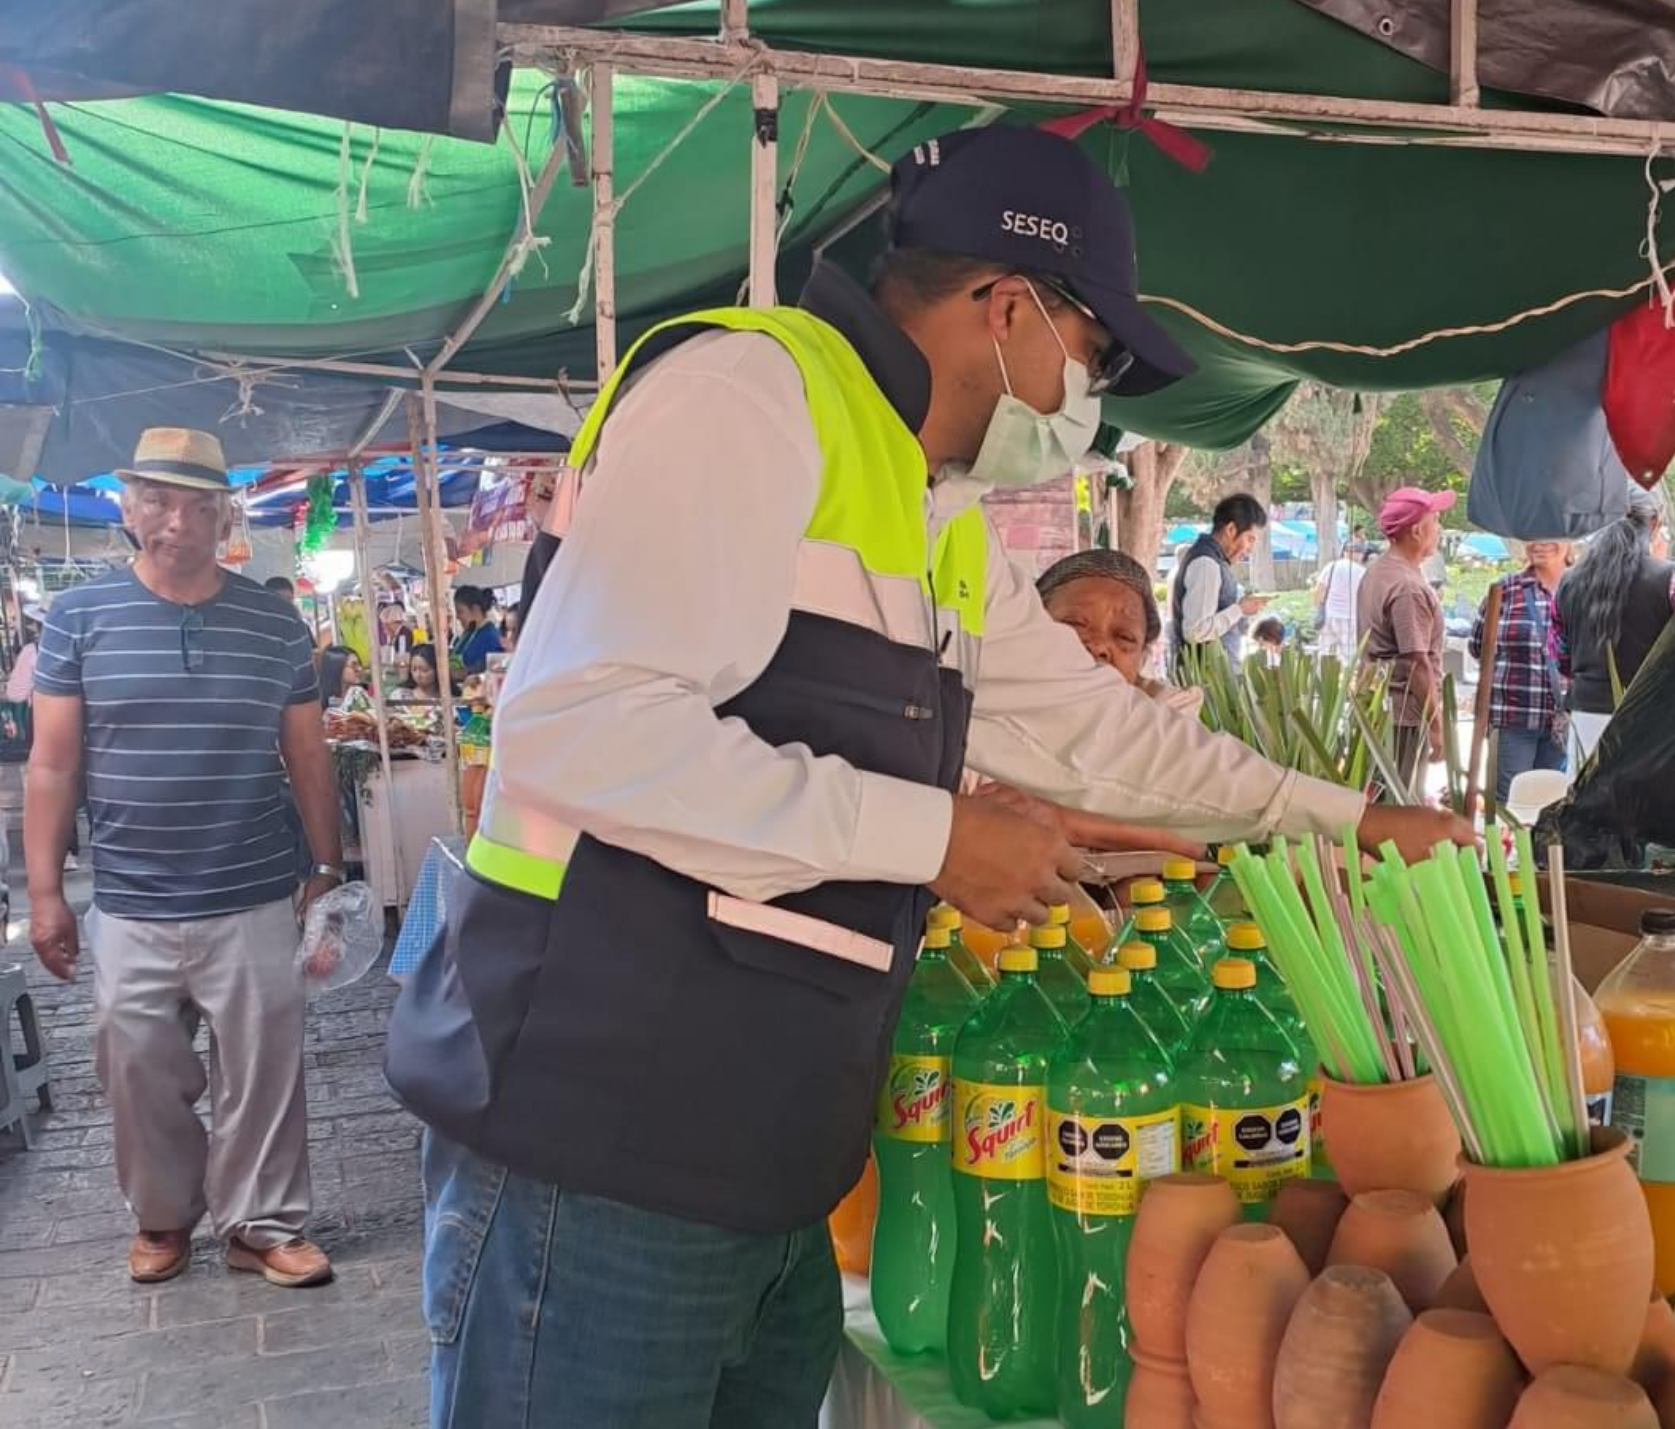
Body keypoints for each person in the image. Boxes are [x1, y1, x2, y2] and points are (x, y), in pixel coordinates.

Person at [384, 125, 1467, 1429]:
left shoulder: (927, 509)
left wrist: (1354, 820)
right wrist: (933, 835)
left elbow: (1100, 731)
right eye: (1096, 354)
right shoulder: (749, 396)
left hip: (767, 1163)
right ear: (1006, 307)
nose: (1093, 397)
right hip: (599, 1152)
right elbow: (582, 731)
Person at [25, 426, 344, 1290]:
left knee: (263, 1069)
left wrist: (327, 864)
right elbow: (52, 762)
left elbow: (307, 752)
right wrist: (47, 890)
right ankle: (164, 1215)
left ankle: (263, 1223)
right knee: (135, 1066)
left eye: (197, 505)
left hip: (249, 888)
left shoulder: (274, 621)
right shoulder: (77, 616)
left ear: (222, 515)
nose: (176, 522)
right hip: (129, 896)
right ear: (129, 508)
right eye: (158, 501)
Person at [1553, 485, 1675, 764]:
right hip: (1649, 716)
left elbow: (1561, 658)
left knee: (1585, 801)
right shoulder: (1670, 579)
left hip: (1585, 718)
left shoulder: (1568, 581)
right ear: (1654, 523)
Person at [1359, 486, 1457, 791]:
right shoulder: (1407, 588)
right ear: (1417, 531)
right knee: (1401, 801)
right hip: (1404, 716)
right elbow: (1416, 662)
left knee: (1381, 797)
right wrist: (1437, 724)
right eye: (1436, 521)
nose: (1439, 529)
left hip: (1379, 708)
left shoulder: (1377, 572)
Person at [1035, 547, 1200, 716]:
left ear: (1142, 659)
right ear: (1028, 630)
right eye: (1074, 624)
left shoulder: (1166, 726)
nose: (1098, 646)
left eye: (1124, 637)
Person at [1470, 539, 1571, 804]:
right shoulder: (1505, 589)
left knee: (1553, 808)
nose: (1540, 542)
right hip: (1514, 719)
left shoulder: (1582, 588)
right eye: (1532, 534)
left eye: (1550, 533)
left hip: (1563, 723)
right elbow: (1478, 646)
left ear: (1568, 539)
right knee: (1511, 807)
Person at [1170, 491, 1270, 668]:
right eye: (1250, 539)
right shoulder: (1206, 564)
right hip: (1207, 680)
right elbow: (1196, 631)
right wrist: (1239, 609)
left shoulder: (1211, 560)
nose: (1250, 549)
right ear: (1231, 530)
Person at [1312, 544, 1366, 659]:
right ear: (1360, 555)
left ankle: (1324, 676)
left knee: (1325, 654)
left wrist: (1318, 609)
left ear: (1345, 552)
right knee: (1349, 658)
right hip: (1351, 619)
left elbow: (1319, 590)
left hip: (1329, 616)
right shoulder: (1362, 572)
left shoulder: (1331, 566)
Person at [450, 585, 503, 674]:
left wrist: (464, 673)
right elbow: (456, 661)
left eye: (460, 611)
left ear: (475, 609)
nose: (457, 617)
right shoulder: (468, 633)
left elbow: (493, 673)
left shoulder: (491, 638)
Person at [7, 605, 42, 704]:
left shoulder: (32, 651)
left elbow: (17, 694)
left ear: (36, 625)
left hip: (44, 712)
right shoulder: (82, 647)